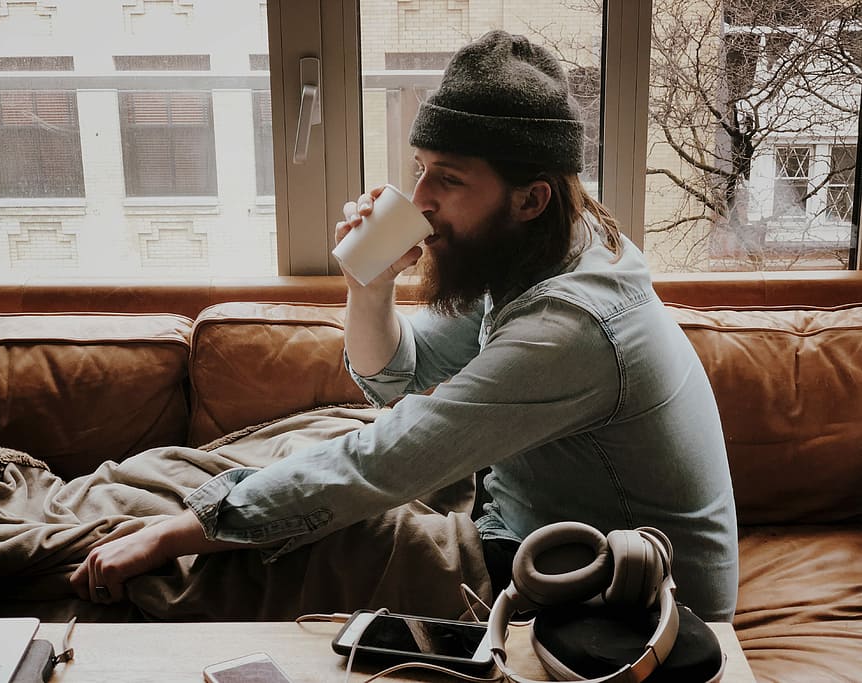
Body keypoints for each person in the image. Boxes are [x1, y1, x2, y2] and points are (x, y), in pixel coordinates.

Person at [71, 30, 738, 622]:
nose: (419, 200)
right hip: (530, 525)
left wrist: (177, 533)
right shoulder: (540, 246)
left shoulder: (573, 326)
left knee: (309, 536)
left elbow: (387, 459)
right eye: (419, 169)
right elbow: (401, 379)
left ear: (530, 197)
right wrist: (370, 286)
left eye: (446, 179)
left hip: (629, 595)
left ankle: (89, 553)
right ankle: (124, 507)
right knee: (302, 440)